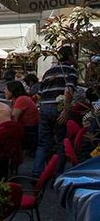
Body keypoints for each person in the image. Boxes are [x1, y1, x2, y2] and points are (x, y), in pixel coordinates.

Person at [32, 45, 78, 178]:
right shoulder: (71, 70)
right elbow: (68, 90)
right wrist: (66, 109)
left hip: (44, 109)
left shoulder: (48, 72)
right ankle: (57, 175)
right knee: (60, 142)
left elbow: (40, 93)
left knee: (43, 143)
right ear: (70, 57)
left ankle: (37, 173)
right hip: (58, 108)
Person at [6, 79, 39, 149]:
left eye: (6, 90)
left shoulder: (21, 99)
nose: (4, 91)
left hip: (28, 131)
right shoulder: (20, 99)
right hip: (30, 129)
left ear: (12, 91)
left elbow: (14, 118)